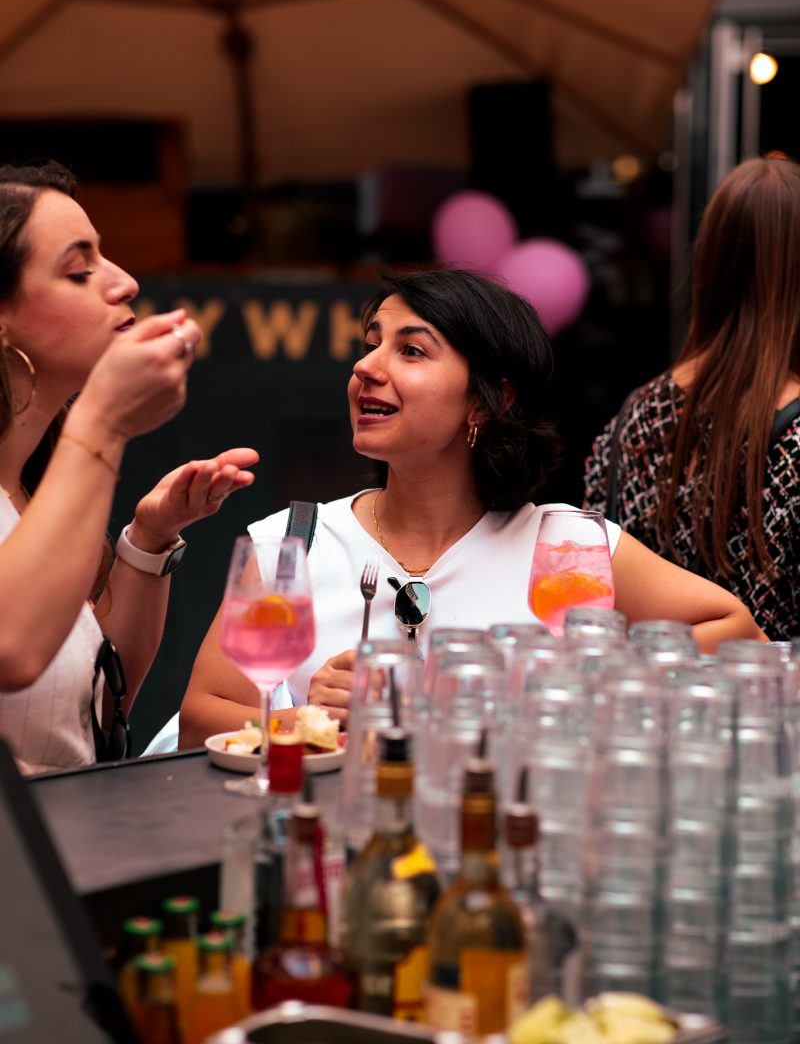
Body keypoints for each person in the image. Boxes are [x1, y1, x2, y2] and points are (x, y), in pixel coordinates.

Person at [179, 268, 762, 744]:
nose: (365, 367)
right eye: (371, 345)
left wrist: (564, 690)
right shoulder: (295, 543)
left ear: (488, 400)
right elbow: (201, 718)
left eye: (410, 351)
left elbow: (736, 633)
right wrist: (308, 721)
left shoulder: (566, 547)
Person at [0, 161, 258, 773]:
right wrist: (103, 421)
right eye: (79, 270)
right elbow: (12, 650)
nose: (125, 282)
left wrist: (148, 540)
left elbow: (88, 707)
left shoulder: (32, 488)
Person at [584, 156, 800, 641]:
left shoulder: (636, 416)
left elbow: (592, 585)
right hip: (764, 688)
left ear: (710, 264)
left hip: (644, 683)